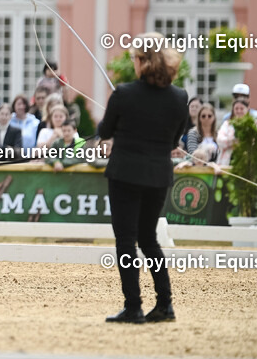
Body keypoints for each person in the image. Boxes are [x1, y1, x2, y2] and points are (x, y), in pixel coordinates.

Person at [97, 32, 188, 324]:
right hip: (158, 175)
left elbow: (106, 130)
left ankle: (133, 306)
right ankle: (165, 305)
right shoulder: (179, 97)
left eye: (136, 57)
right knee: (149, 239)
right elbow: (175, 138)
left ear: (142, 61)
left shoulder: (123, 93)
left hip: (125, 174)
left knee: (126, 241)